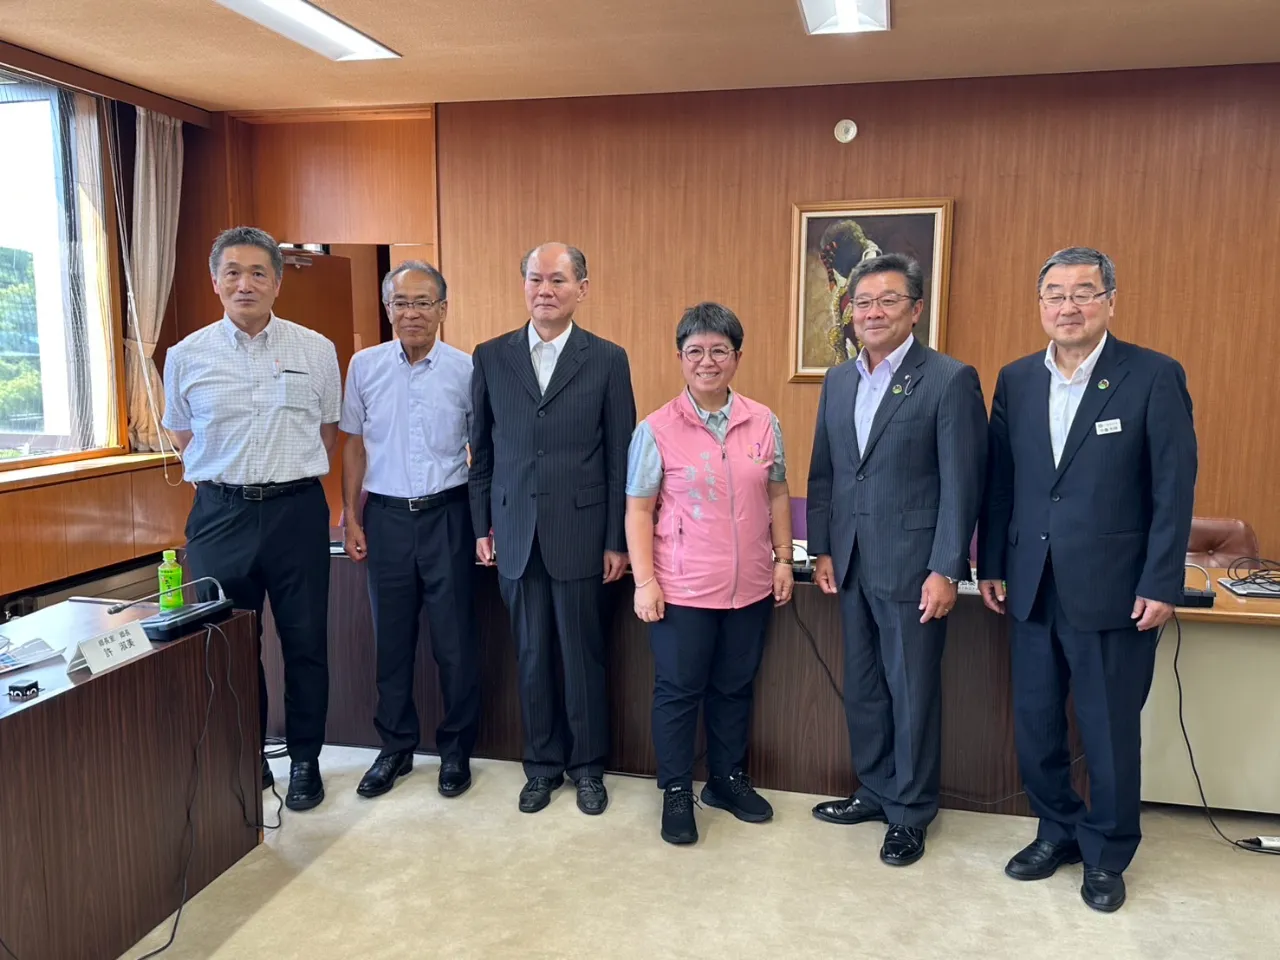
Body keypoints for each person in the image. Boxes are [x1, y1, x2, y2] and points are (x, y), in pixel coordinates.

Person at [977, 247, 1197, 912]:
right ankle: (1057, 830)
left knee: (1107, 731)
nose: (1067, 306)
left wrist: (1162, 580)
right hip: (1031, 584)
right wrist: (992, 563)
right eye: (1054, 294)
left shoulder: (1152, 375)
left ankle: (1107, 852)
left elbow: (1172, 488)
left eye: (1083, 292)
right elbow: (1002, 482)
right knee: (1037, 724)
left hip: (1115, 589)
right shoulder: (1017, 379)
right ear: (1040, 304)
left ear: (1110, 301)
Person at [806, 252, 987, 866]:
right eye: (863, 302)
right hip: (851, 562)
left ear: (915, 310)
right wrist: (822, 548)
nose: (873, 312)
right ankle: (875, 789)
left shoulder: (949, 379)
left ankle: (910, 811)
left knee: (911, 692)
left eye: (888, 301)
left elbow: (962, 484)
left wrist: (946, 567)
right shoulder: (839, 380)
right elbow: (827, 473)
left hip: (914, 565)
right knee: (863, 687)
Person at [162, 225, 341, 811]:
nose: (246, 283)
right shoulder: (186, 356)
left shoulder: (316, 349)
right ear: (215, 282)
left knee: (305, 640)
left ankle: (307, 760)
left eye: (258, 272)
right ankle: (247, 754)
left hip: (297, 511)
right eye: (233, 272)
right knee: (229, 642)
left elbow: (327, 432)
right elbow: (183, 435)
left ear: (277, 282)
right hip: (221, 514)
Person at [468, 242, 636, 816]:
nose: (545, 290)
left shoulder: (608, 359)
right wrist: (481, 524)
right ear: (523, 287)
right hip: (515, 531)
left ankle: (588, 768)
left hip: (582, 534)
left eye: (558, 280)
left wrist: (616, 539)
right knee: (532, 655)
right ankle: (541, 766)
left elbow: (620, 457)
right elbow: (481, 452)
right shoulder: (491, 356)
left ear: (581, 289)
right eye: (535, 279)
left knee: (583, 656)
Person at [624, 302, 794, 845]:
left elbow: (777, 492)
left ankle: (726, 780)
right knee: (678, 693)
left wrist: (783, 558)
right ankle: (676, 790)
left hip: (750, 587)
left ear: (737, 357)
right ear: (680, 357)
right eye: (695, 350)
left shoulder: (763, 421)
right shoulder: (655, 429)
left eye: (719, 350)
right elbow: (638, 510)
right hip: (683, 589)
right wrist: (645, 582)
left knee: (734, 689)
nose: (707, 361)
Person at [339, 261, 480, 800]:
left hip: (450, 514)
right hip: (388, 517)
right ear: (387, 308)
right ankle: (395, 747)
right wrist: (352, 515)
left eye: (424, 302)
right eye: (401, 302)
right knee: (392, 643)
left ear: (443, 309)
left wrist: (484, 523)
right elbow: (353, 444)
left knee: (455, 644)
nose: (412, 313)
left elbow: (482, 452)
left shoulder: (467, 369)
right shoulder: (364, 366)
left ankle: (456, 749)